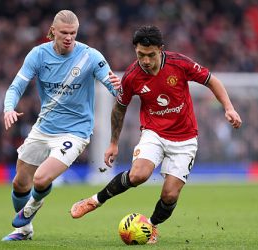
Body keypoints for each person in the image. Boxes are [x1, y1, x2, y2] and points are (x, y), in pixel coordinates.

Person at [70, 25, 242, 244]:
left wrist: (229, 108)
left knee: (170, 195)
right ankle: (94, 201)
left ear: (161, 49)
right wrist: (113, 143)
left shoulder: (179, 63)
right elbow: (119, 108)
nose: (146, 61)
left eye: (151, 55)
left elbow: (211, 80)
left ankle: (150, 226)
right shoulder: (132, 76)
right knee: (138, 175)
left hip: (186, 138)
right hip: (154, 133)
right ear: (135, 50)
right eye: (141, 55)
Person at [1, 10, 120, 241]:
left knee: (41, 178)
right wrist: (8, 108)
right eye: (64, 33)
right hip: (44, 127)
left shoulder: (90, 56)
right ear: (53, 31)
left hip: (76, 131)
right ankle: (24, 231)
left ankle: (30, 209)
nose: (69, 37)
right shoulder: (38, 55)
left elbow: (114, 87)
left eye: (73, 33)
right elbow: (16, 86)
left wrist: (118, 86)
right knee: (20, 182)